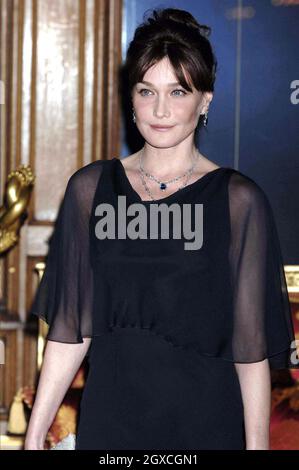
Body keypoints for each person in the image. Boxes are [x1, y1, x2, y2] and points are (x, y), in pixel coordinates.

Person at [25, 8, 299, 450]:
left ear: (205, 100)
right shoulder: (91, 190)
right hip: (110, 429)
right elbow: (71, 329)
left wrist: (257, 447)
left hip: (207, 430)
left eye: (177, 92)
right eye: (146, 91)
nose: (160, 110)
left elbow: (250, 353)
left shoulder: (237, 202)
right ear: (130, 97)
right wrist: (35, 435)